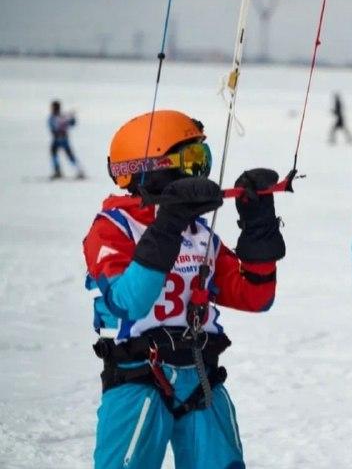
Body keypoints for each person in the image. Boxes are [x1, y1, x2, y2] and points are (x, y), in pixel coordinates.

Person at [83, 110, 286, 468]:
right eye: (190, 160)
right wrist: (168, 224)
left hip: (200, 376)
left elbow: (256, 297)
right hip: (138, 376)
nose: (200, 173)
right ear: (147, 167)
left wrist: (259, 230)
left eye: (202, 160)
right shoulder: (113, 227)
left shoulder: (199, 233)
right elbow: (128, 302)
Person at [48, 99, 85, 179]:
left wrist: (71, 118)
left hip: (60, 139)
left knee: (58, 154)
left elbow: (71, 123)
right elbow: (72, 123)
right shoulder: (61, 117)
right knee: (64, 155)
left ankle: (59, 171)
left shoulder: (56, 117)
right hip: (63, 139)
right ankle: (78, 170)